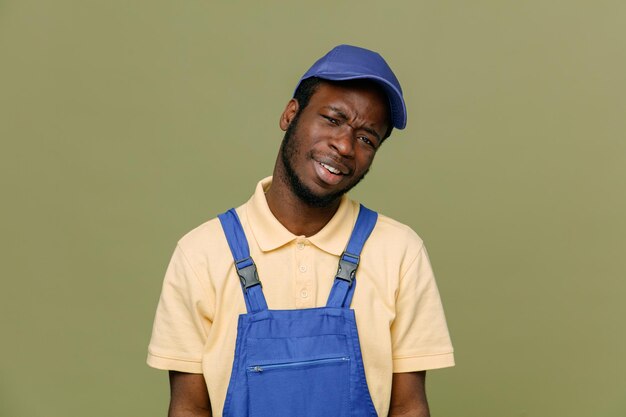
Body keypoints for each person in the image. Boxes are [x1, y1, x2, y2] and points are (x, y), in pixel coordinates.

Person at [147, 44, 454, 417]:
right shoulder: (202, 254)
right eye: (333, 118)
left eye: (366, 138)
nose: (343, 145)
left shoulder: (399, 251)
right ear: (290, 114)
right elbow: (188, 408)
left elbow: (409, 407)